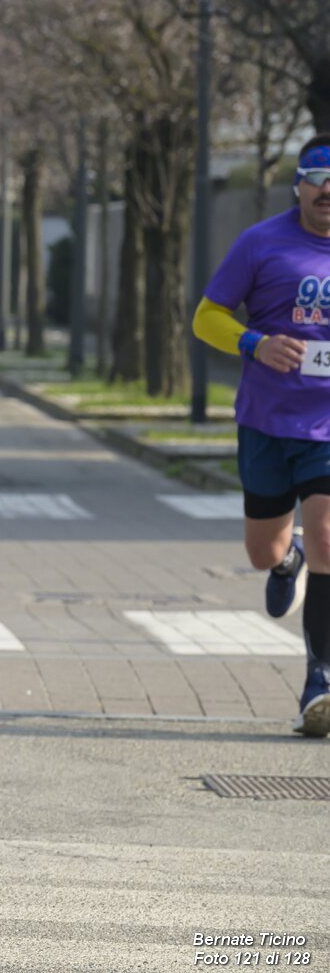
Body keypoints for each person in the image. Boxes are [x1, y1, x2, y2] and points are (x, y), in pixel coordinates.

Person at [193, 131, 330, 738]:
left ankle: (319, 682)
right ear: (298, 185)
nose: (328, 191)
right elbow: (207, 318)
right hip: (268, 422)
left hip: (327, 426)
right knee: (263, 552)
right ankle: (286, 559)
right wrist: (255, 343)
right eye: (318, 178)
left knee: (328, 536)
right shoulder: (261, 242)